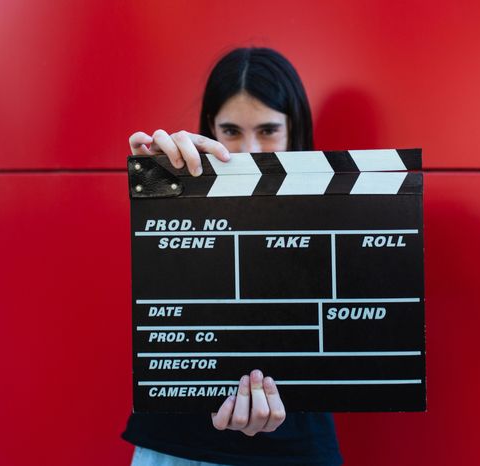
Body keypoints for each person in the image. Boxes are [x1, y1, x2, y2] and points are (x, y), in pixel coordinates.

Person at [123, 48, 343, 466]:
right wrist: (159, 185)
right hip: (177, 445)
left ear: (295, 131)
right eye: (231, 130)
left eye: (268, 130)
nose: (249, 150)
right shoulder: (182, 195)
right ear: (209, 127)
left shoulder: (337, 218)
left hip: (295, 444)